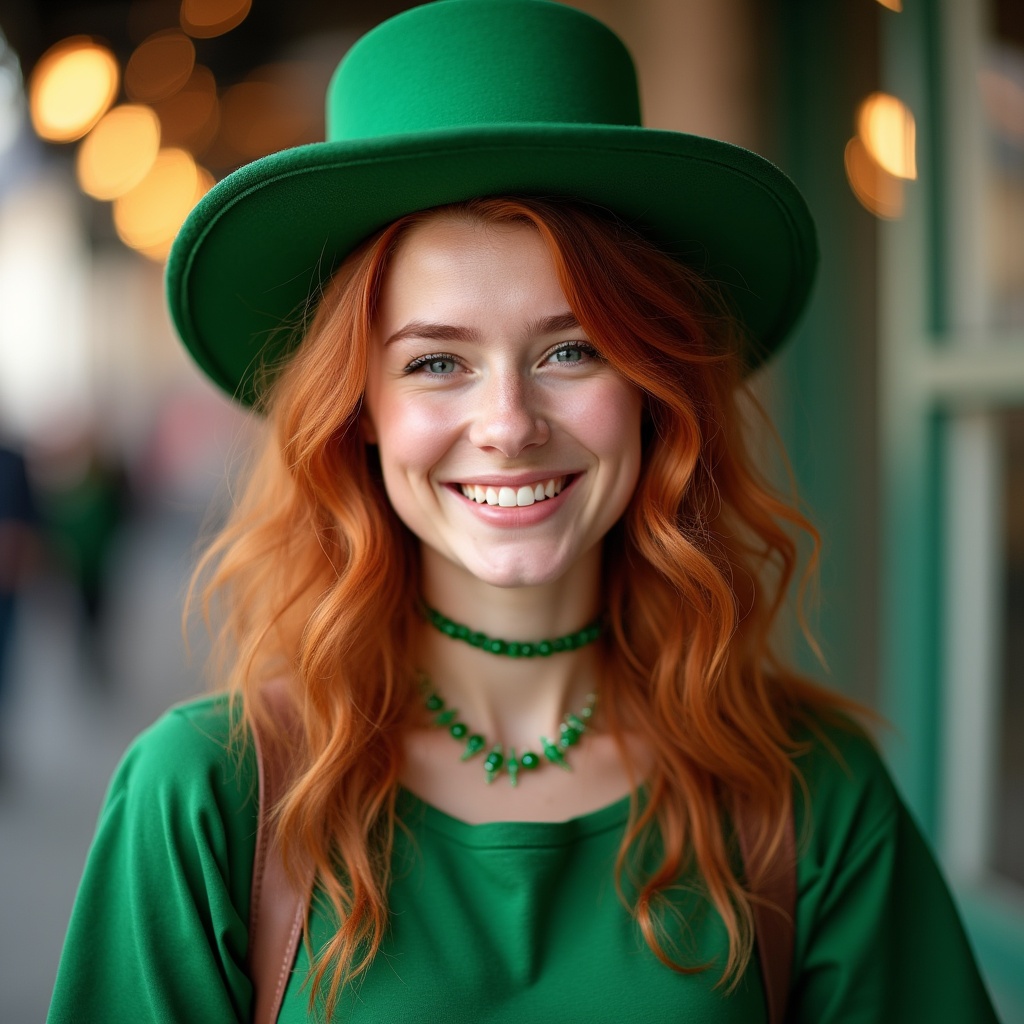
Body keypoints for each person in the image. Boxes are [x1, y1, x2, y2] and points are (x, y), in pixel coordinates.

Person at [48, 2, 999, 1022]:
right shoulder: (207, 799)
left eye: (570, 349)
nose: (507, 424)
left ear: (654, 389)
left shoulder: (808, 797)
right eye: (437, 363)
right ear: (358, 411)